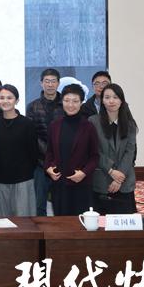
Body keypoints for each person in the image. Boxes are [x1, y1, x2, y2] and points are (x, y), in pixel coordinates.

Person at [45, 84, 99, 216]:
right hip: (59, 184)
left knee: (80, 223)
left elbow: (95, 156)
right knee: (60, 222)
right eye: (67, 100)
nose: (71, 105)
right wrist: (48, 168)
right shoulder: (54, 125)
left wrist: (84, 173)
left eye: (75, 101)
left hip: (81, 184)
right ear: (62, 101)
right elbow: (49, 152)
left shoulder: (89, 126)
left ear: (81, 102)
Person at [89, 83, 138, 214]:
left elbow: (130, 152)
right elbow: (94, 151)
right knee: (101, 222)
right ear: (102, 101)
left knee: (124, 220)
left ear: (121, 101)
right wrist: (111, 171)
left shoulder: (130, 124)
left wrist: (119, 176)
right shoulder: (93, 122)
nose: (111, 101)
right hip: (102, 179)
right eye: (107, 97)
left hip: (124, 180)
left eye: (115, 97)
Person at [0, 84, 38, 217]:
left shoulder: (27, 124)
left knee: (24, 221)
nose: (5, 101)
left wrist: (25, 171)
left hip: (23, 180)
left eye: (9, 98)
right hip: (0, 180)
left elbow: (34, 153)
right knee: (2, 222)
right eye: (2, 98)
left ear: (17, 100)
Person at [26, 68, 64, 216]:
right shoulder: (32, 106)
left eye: (53, 81)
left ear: (58, 83)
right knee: (39, 205)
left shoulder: (66, 105)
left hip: (62, 162)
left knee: (61, 204)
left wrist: (56, 157)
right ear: (41, 83)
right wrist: (47, 158)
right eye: (47, 81)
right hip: (40, 164)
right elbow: (32, 136)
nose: (50, 84)